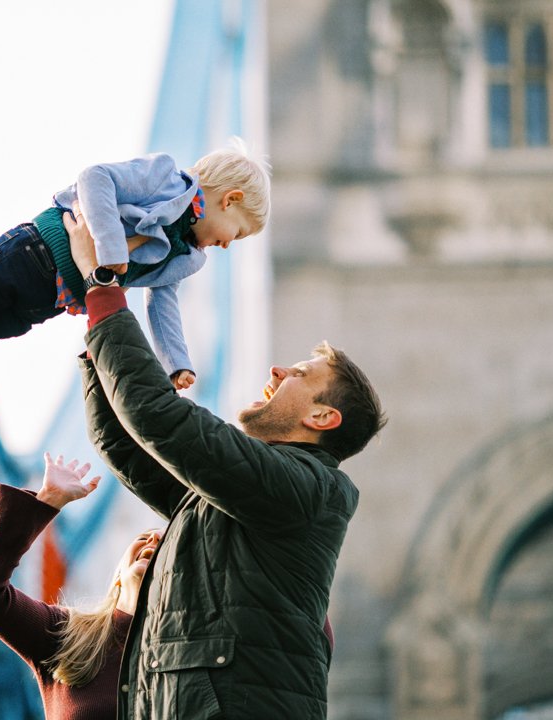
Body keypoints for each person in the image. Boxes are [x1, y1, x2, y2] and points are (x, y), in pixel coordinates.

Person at [65, 212, 387, 718]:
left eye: (299, 373)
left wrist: (103, 289)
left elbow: (159, 418)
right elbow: (126, 446)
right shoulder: (243, 493)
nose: (278, 369)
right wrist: (95, 349)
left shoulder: (300, 488)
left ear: (322, 415)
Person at [0, 142, 271, 389]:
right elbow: (95, 177)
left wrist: (176, 361)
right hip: (37, 253)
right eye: (238, 232)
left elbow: (163, 302)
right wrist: (107, 244)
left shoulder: (188, 258)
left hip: (51, 300)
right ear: (228, 199)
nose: (228, 246)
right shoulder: (165, 180)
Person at [0, 453, 165, 720]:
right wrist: (46, 502)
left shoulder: (196, 654)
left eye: (165, 545)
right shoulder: (66, 635)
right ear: (117, 575)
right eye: (144, 538)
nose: (153, 542)